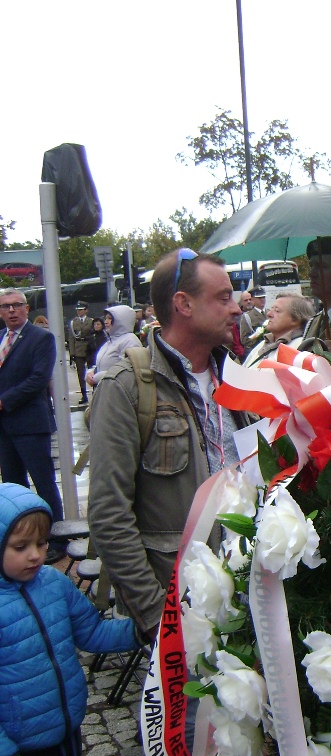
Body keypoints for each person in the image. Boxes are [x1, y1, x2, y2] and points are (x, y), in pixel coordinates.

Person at [88, 248, 252, 639]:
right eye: (223, 297)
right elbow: (110, 515)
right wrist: (158, 616)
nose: (236, 308)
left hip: (250, 594)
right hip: (183, 605)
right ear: (183, 304)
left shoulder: (238, 378)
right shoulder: (125, 387)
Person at [0, 483, 142, 756]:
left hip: (67, 727)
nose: (35, 555)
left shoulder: (54, 583)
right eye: (21, 547)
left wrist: (145, 630)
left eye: (41, 543)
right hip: (22, 749)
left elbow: (92, 632)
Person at [0, 289, 63, 535]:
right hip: (5, 427)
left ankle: (57, 537)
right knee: (14, 487)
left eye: (17, 305)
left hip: (31, 424)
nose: (11, 310)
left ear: (27, 308)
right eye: (6, 306)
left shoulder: (41, 338)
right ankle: (22, 537)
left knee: (44, 483)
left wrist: (4, 401)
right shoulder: (1, 337)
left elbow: (39, 378)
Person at [243, 293, 320, 368]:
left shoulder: (301, 349)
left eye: (277, 311)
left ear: (295, 319)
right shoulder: (263, 344)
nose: (269, 314)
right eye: (271, 309)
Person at [85, 305, 142, 387]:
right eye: (106, 318)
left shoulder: (130, 341)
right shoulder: (110, 341)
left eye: (110, 318)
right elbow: (100, 365)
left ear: (122, 320)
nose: (106, 322)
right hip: (106, 389)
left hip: (118, 393)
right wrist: (90, 373)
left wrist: (98, 377)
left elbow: (128, 372)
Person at [67, 301, 92, 404]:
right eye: (78, 310)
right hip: (78, 350)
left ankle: (95, 392)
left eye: (81, 310)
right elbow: (71, 338)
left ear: (86, 310)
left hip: (89, 349)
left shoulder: (91, 321)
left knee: (92, 372)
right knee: (80, 374)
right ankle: (84, 395)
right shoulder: (74, 322)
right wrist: (72, 353)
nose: (79, 312)